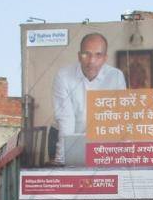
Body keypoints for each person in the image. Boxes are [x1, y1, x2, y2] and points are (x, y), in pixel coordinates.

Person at [51, 32, 126, 166]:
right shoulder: (63, 76)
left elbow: (118, 119)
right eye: (86, 54)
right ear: (79, 56)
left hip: (102, 145)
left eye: (98, 55)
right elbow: (66, 120)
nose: (91, 61)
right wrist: (61, 161)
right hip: (70, 141)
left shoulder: (116, 76)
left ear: (105, 58)